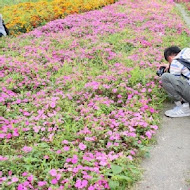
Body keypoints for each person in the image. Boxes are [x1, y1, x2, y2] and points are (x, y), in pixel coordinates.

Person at [161, 46, 190, 118]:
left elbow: (175, 83)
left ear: (170, 57)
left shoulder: (175, 62)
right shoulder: (187, 51)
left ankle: (184, 106)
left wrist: (171, 65)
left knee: (165, 77)